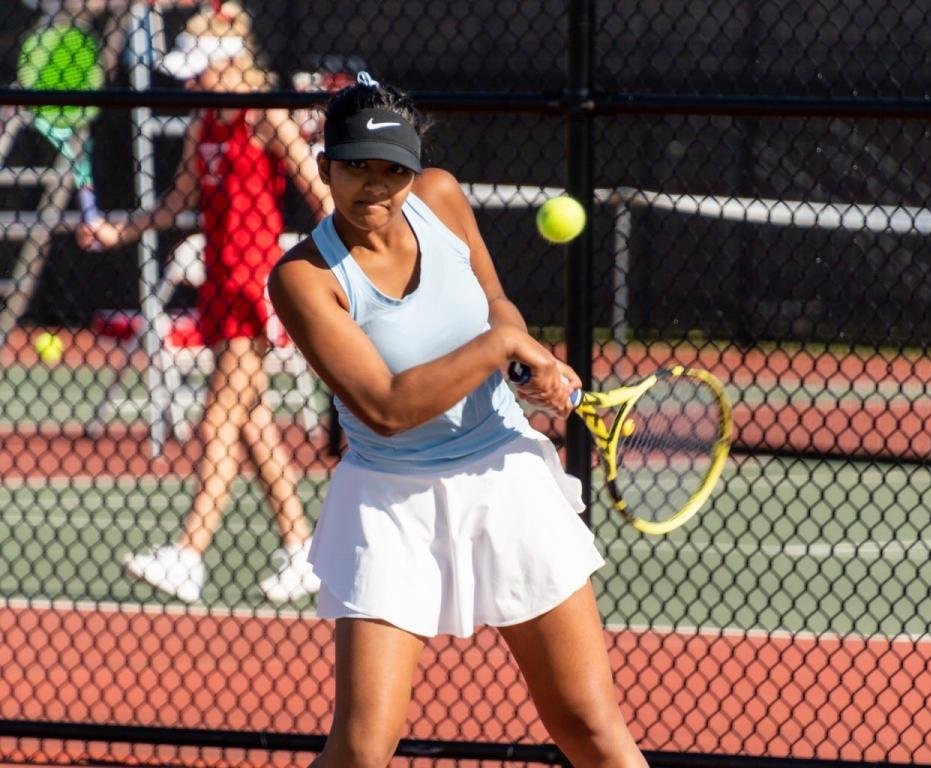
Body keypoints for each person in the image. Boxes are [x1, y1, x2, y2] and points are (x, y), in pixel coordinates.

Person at [268, 73, 648, 767]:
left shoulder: (440, 197)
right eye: (357, 168)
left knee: (588, 721)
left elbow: (496, 303)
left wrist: (526, 362)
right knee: (361, 747)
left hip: (506, 476)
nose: (376, 188)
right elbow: (384, 407)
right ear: (324, 168)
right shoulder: (303, 278)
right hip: (389, 500)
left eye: (393, 171)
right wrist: (498, 348)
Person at [77, 2, 334, 604]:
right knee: (251, 424)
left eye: (200, 69)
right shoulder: (205, 123)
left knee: (220, 418)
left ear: (231, 61)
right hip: (218, 285)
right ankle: (301, 549)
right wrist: (120, 230)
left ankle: (190, 555)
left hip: (253, 287)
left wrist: (348, 255)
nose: (192, 81)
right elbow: (174, 205)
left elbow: (317, 190)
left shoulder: (261, 117)